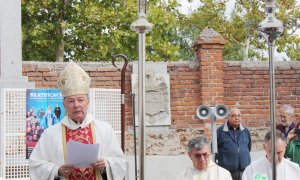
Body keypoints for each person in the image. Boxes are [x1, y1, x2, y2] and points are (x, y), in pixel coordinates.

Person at [29, 62, 126, 180]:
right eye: (71, 101)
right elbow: (35, 164)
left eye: (80, 100)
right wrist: (57, 170)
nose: (76, 105)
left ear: (88, 102)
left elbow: (120, 161)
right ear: (64, 104)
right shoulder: (51, 134)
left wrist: (106, 164)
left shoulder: (105, 129)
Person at [216, 108, 251, 180]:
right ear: (229, 117)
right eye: (234, 116)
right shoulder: (220, 131)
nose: (237, 118)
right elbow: (214, 149)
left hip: (243, 169)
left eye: (239, 116)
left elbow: (249, 147)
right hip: (227, 170)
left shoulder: (245, 130)